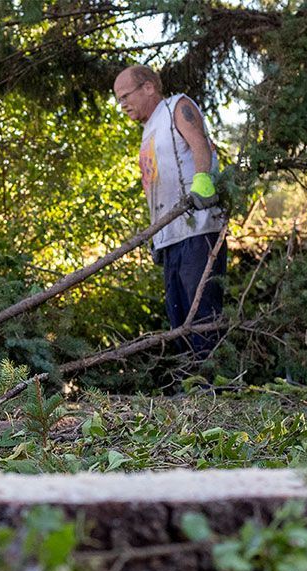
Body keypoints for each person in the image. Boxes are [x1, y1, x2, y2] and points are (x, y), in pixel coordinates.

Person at [113, 65, 227, 356]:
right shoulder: (147, 131)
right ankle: (192, 387)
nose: (122, 104)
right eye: (119, 99)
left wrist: (203, 179)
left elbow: (199, 142)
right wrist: (158, 235)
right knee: (178, 317)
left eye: (126, 96)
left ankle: (212, 388)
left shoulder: (177, 106)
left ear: (148, 87)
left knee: (201, 313)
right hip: (170, 236)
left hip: (198, 227)